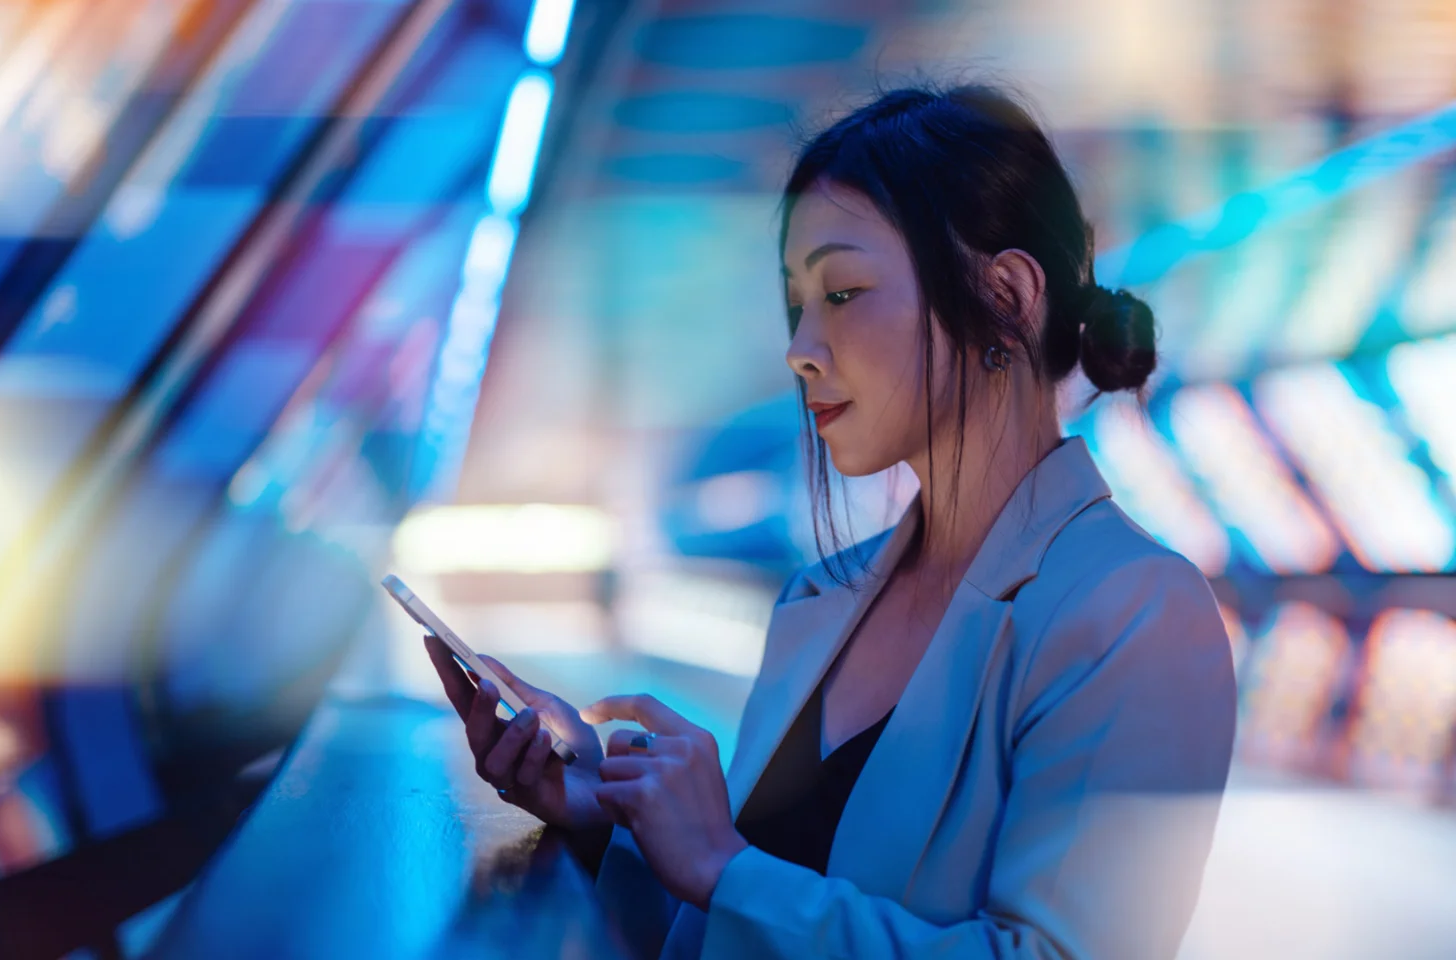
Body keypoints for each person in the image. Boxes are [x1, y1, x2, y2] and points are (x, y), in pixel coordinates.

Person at [424, 83, 1236, 959]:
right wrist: (610, 824)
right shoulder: (824, 596)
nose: (800, 347)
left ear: (1005, 294)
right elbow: (734, 919)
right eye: (797, 303)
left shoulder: (1138, 615)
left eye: (843, 292)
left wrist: (719, 863)